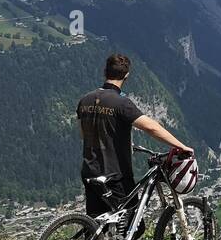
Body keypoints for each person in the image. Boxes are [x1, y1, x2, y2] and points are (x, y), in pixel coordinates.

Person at [76, 53, 192, 218]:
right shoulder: (121, 103)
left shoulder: (84, 100)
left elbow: (83, 134)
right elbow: (151, 128)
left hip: (90, 171)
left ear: (105, 72)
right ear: (127, 76)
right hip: (115, 175)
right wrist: (180, 146)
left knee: (95, 224)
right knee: (132, 228)